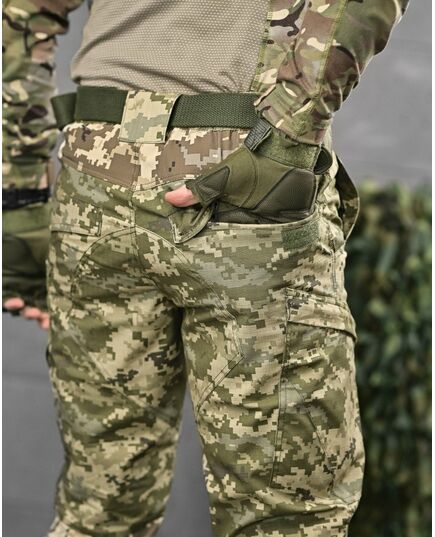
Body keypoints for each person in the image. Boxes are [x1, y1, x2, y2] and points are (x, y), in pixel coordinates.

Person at [2, 1, 409, 536]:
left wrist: (20, 198)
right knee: (285, 518)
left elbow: (21, 12)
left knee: (98, 513)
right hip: (242, 171)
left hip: (95, 170)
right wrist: (284, 139)